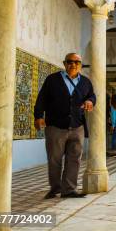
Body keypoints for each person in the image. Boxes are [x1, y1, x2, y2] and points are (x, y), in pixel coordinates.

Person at [34, 52, 96, 199]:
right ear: (64, 63)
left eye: (77, 62)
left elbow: (92, 95)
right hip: (56, 126)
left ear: (80, 65)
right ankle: (55, 188)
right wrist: (38, 116)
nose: (73, 64)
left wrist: (90, 101)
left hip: (77, 126)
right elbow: (41, 98)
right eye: (70, 62)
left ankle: (68, 189)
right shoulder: (52, 80)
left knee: (74, 159)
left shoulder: (86, 82)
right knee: (54, 159)